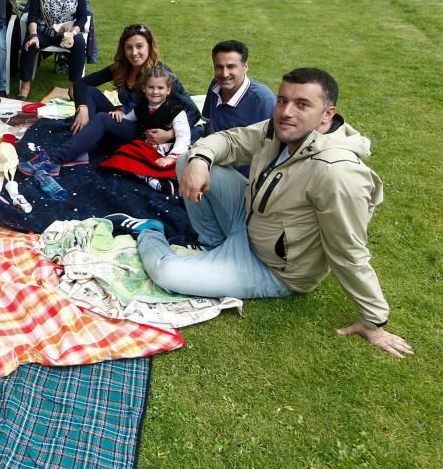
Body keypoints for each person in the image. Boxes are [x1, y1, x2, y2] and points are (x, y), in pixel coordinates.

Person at [112, 68, 413, 359]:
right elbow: (230, 140)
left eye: (302, 104)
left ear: (327, 114)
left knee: (166, 273)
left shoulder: (337, 174)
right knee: (191, 159)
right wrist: (201, 160)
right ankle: (212, 243)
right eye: (283, 100)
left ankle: (150, 231)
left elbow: (349, 251)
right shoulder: (280, 129)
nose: (286, 111)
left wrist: (374, 320)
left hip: (272, 267)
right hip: (250, 218)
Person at [19, 24, 199, 177]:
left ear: (149, 47)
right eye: (129, 47)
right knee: (89, 92)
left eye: (139, 46)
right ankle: (79, 148)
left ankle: (55, 159)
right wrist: (82, 108)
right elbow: (81, 83)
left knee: (103, 119)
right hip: (126, 119)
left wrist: (169, 134)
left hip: (144, 131)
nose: (134, 52)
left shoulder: (161, 75)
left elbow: (192, 110)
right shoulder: (122, 68)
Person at [101, 64, 191, 196]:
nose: (155, 92)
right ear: (144, 88)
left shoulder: (176, 110)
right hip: (148, 150)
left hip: (170, 150)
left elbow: (184, 136)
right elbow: (128, 119)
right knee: (125, 152)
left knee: (185, 164)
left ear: (168, 90)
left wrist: (171, 158)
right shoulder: (141, 108)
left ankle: (167, 178)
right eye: (151, 87)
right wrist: (120, 114)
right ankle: (151, 179)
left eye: (160, 88)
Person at [16, 0, 88, 100]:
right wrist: (34, 35)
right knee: (29, 45)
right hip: (44, 31)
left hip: (67, 33)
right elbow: (33, 13)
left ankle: (74, 87)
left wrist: (73, 32)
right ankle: (25, 86)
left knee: (80, 44)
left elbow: (82, 16)